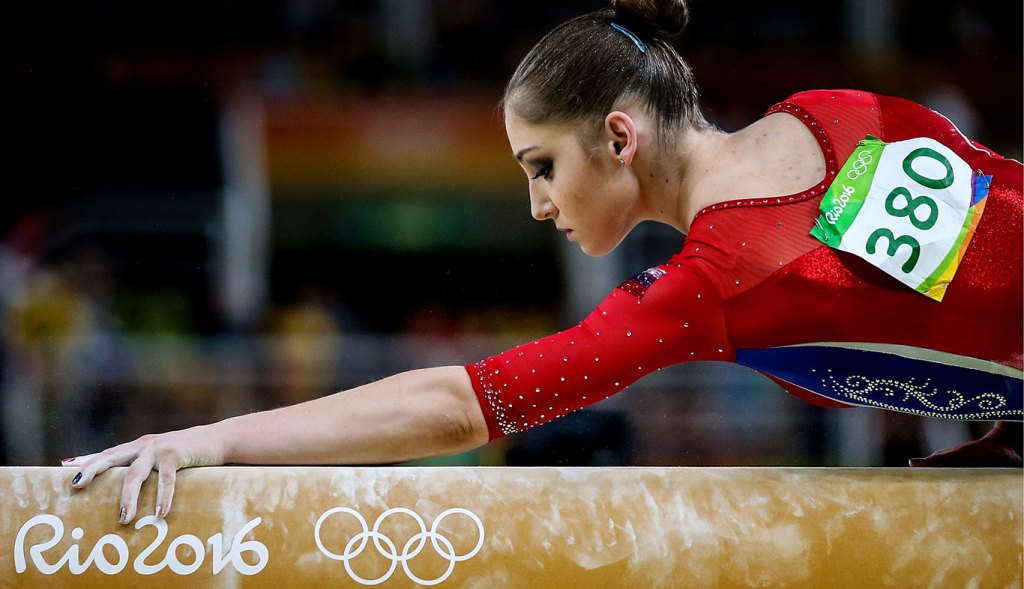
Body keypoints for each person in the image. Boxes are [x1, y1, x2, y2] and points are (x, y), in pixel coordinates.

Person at [64, 0, 1022, 524]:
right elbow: (980, 259)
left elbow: (459, 404)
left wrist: (214, 441)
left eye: (542, 167)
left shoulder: (710, 285)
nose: (538, 204)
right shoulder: (838, 109)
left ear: (617, 136)